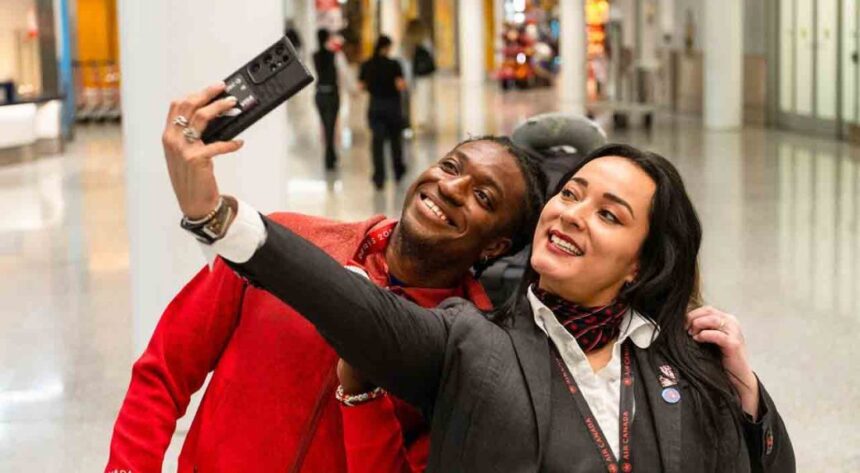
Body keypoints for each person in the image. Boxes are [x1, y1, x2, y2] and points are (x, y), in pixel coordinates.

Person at [162, 104, 795, 470]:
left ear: (639, 264)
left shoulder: (680, 364)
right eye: (570, 194)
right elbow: (345, 300)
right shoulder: (470, 339)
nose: (573, 212)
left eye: (609, 213)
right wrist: (216, 215)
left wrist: (746, 395)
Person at [105, 82, 547, 473]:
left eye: (483, 196)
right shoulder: (284, 245)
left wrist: (363, 391)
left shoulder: (469, 351)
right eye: (451, 167)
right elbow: (164, 370)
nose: (451, 187)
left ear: (496, 247)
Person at [359, 35, 407, 190]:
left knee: (377, 143)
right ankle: (398, 172)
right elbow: (400, 85)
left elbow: (361, 86)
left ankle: (379, 177)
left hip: (376, 106)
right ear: (386, 47)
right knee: (395, 142)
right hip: (392, 107)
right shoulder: (394, 64)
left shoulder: (367, 65)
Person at [313, 29, 341, 170]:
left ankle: (331, 155)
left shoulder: (315, 56)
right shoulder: (333, 55)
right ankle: (329, 158)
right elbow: (341, 73)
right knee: (330, 127)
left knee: (326, 126)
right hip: (331, 94)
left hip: (320, 95)